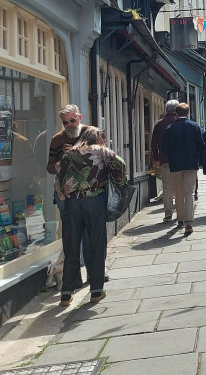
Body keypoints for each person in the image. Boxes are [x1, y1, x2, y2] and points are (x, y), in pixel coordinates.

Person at [54, 126, 126, 306]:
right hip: (94, 201)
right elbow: (121, 165)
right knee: (96, 243)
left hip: (72, 204)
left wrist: (65, 197)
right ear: (98, 138)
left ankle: (66, 294)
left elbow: (58, 180)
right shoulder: (102, 151)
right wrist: (116, 181)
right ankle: (96, 290)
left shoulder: (68, 154)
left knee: (71, 246)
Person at [161, 103, 204, 236]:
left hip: (175, 165)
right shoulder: (194, 126)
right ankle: (189, 222)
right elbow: (201, 145)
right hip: (191, 164)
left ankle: (180, 219)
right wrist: (199, 160)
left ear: (176, 113)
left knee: (178, 192)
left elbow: (164, 148)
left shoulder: (170, 128)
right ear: (188, 113)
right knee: (189, 193)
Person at [150, 100, 180, 223]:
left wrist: (157, 159)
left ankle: (168, 215)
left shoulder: (159, 124)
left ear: (166, 110)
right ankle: (181, 212)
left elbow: (153, 144)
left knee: (167, 187)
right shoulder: (179, 123)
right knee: (179, 187)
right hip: (180, 160)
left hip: (165, 160)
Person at [47, 104, 88, 175]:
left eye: (72, 120)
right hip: (67, 183)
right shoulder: (57, 139)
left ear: (80, 117)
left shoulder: (90, 133)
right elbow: (49, 168)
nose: (69, 125)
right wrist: (56, 166)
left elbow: (101, 158)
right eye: (65, 122)